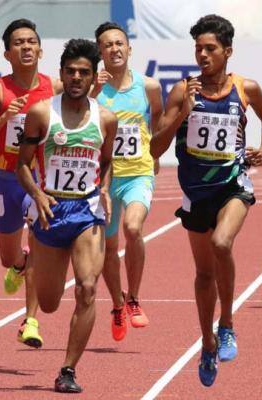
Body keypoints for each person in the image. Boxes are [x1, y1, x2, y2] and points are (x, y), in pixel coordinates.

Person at [152, 14, 262, 387]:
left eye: (210, 49)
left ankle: (228, 325)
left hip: (233, 183)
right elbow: (155, 147)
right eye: (198, 49)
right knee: (204, 274)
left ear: (228, 51)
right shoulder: (182, 91)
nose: (203, 55)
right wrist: (181, 115)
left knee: (223, 242)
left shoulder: (247, 89)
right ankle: (207, 341)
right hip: (195, 191)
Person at [16, 38, 117, 393]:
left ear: (93, 78)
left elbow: (106, 161)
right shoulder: (42, 113)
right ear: (61, 73)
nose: (76, 77)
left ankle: (68, 370)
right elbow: (22, 165)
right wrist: (37, 193)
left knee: (88, 289)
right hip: (50, 210)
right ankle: (28, 267)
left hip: (86, 210)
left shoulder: (106, 118)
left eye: (84, 72)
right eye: (71, 71)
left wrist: (104, 188)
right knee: (49, 302)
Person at [0, 18, 62, 348]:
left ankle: (31, 321)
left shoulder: (56, 88)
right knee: (9, 258)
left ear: (40, 49)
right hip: (6, 179)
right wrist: (4, 118)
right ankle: (18, 265)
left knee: (39, 241)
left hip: (39, 179)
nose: (26, 47)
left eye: (31, 41)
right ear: (7, 53)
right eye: (19, 43)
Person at [91, 21, 164, 341]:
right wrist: (93, 90)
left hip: (138, 172)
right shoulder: (94, 88)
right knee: (109, 246)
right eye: (107, 45)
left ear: (129, 48)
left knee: (133, 228)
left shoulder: (149, 86)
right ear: (100, 52)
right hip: (104, 176)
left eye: (119, 43)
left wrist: (156, 152)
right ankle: (117, 303)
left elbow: (158, 117)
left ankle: (133, 298)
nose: (114, 49)